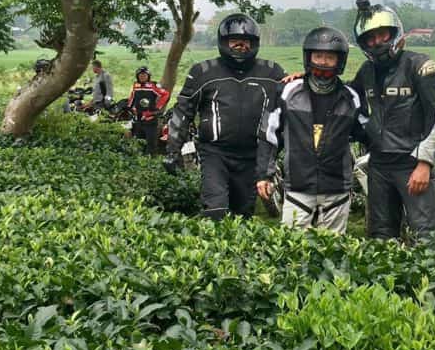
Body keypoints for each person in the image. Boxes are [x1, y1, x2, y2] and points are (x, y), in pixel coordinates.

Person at [165, 13, 285, 218]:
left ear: (254, 43)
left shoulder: (272, 73)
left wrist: (303, 78)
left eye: (246, 42)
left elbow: (290, 106)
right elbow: (183, 110)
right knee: (216, 210)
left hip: (252, 155)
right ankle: (205, 246)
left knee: (242, 215)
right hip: (215, 153)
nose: (240, 46)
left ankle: (235, 250)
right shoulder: (202, 72)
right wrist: (172, 150)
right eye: (234, 41)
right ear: (223, 42)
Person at [350, 0, 435, 240]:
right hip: (379, 164)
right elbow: (347, 98)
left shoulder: (420, 66)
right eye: (370, 38)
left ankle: (432, 277)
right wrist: (304, 79)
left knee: (425, 233)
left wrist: (424, 163)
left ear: (394, 33)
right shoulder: (367, 71)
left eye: (382, 35)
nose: (377, 42)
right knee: (380, 234)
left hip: (411, 162)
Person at [257, 27, 366, 233]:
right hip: (298, 186)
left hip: (337, 189)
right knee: (292, 249)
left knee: (333, 251)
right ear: (308, 58)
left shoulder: (351, 98)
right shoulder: (287, 91)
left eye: (329, 57)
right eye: (318, 56)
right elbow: (268, 135)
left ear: (339, 61)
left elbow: (368, 134)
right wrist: (264, 174)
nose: (323, 62)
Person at [126, 66, 170, 155]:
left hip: (150, 118)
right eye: (140, 75)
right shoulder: (136, 85)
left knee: (151, 143)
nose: (142, 77)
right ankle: (139, 161)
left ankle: (151, 163)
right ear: (137, 76)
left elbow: (165, 94)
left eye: (144, 75)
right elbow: (132, 96)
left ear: (148, 76)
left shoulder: (153, 86)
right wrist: (130, 107)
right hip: (138, 118)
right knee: (139, 141)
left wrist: (157, 107)